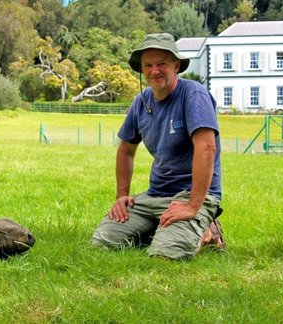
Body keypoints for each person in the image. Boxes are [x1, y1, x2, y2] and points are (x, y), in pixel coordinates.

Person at [90, 33, 224, 259]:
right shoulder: (141, 102)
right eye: (148, 65)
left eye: (162, 64)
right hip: (154, 195)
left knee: (165, 254)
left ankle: (208, 230)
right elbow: (126, 150)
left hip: (191, 195)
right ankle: (164, 228)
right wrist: (122, 196)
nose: (155, 71)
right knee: (102, 243)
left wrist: (192, 206)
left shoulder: (193, 95)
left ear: (176, 66)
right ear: (142, 69)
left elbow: (207, 148)